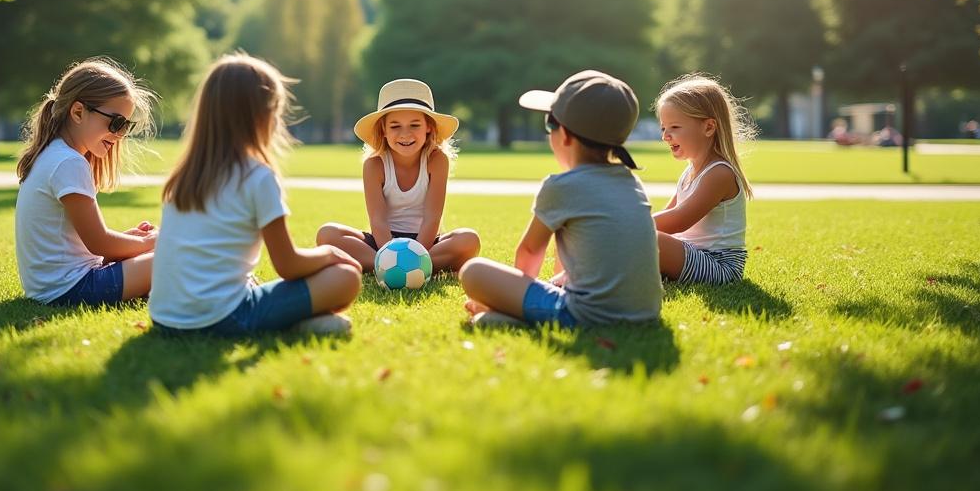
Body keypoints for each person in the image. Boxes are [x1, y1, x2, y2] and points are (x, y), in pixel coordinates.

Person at [149, 53, 362, 336]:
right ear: (263, 116)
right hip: (224, 318)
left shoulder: (185, 177)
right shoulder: (257, 177)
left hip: (165, 320)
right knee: (346, 278)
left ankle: (290, 320)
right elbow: (289, 265)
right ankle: (293, 324)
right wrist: (328, 253)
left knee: (256, 284)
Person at [459, 71, 662, 328]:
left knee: (474, 272)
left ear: (564, 134)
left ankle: (511, 317)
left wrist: (509, 299)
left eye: (549, 123)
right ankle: (499, 318)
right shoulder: (631, 183)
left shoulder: (561, 186)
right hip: (645, 314)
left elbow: (530, 251)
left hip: (585, 315)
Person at [15, 58, 159, 306]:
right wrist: (150, 242)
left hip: (59, 286)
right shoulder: (68, 162)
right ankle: (234, 295)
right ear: (78, 112)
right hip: (71, 290)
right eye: (115, 123)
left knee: (167, 257)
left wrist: (131, 241)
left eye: (125, 126)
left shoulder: (54, 154)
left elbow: (86, 246)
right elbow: (99, 242)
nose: (119, 134)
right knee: (177, 257)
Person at [316, 79, 480, 274]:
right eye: (395, 126)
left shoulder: (437, 160)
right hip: (383, 243)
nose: (405, 134)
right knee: (327, 234)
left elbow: (432, 217)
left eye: (414, 125)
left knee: (469, 240)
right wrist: (390, 256)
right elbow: (378, 220)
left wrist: (416, 253)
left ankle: (406, 267)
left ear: (428, 127)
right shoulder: (374, 165)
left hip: (425, 244)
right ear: (383, 130)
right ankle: (399, 268)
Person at [653, 74, 754, 284]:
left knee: (652, 242)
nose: (665, 136)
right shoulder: (689, 172)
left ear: (708, 127)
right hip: (692, 253)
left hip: (719, 264)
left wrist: (629, 226)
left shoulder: (719, 173)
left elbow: (679, 219)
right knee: (639, 243)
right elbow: (668, 214)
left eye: (674, 127)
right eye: (663, 128)